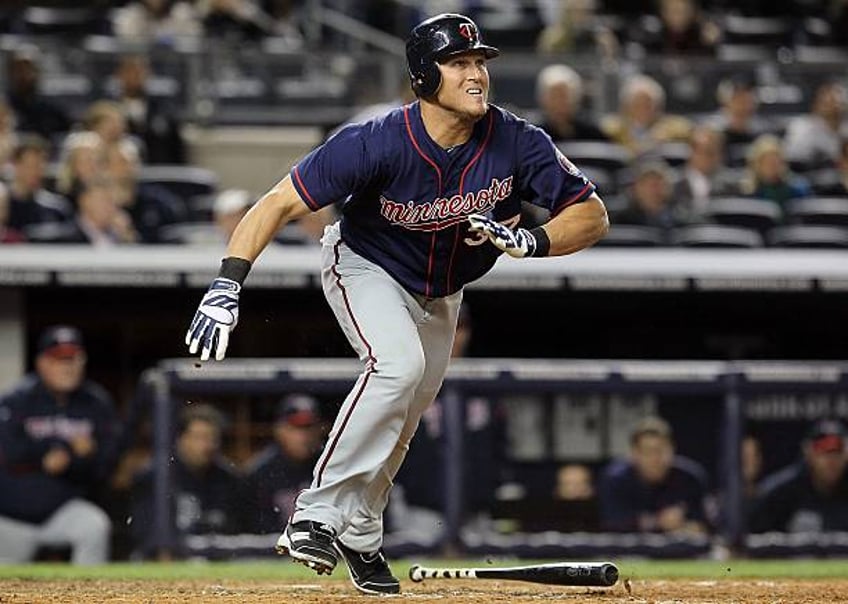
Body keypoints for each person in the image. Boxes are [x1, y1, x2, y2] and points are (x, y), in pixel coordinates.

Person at [185, 11, 607, 595]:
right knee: (396, 367)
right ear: (424, 77)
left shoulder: (516, 139)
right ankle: (317, 514)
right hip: (366, 266)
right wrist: (229, 281)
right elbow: (278, 203)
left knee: (406, 415)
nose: (476, 74)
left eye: (479, 62)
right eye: (459, 64)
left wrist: (534, 241)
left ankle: (361, 529)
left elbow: (591, 215)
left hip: (442, 292)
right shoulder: (377, 141)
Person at [0, 326, 119, 564]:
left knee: (94, 526)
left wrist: (74, 461)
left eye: (73, 358)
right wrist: (52, 451)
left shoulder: (96, 403)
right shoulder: (17, 399)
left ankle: (92, 597)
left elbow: (105, 464)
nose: (68, 366)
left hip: (61, 511)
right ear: (42, 362)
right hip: (10, 517)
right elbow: (10, 451)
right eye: (59, 359)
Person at [129, 404, 247, 559]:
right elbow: (146, 536)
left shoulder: (227, 478)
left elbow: (237, 532)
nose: (208, 445)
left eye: (212, 438)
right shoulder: (156, 476)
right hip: (167, 560)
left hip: (217, 560)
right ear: (180, 439)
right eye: (200, 437)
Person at [598, 416, 709, 534]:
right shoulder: (615, 479)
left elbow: (704, 525)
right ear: (634, 453)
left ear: (673, 449)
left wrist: (690, 527)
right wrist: (658, 522)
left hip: (678, 547)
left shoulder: (691, 478)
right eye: (647, 452)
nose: (655, 459)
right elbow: (612, 523)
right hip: (627, 549)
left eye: (661, 451)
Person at [748, 419, 848, 533]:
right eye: (824, 452)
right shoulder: (782, 492)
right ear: (808, 453)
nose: (831, 461)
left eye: (837, 452)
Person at [245, 394, 326, 534]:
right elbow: (256, 532)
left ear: (319, 430)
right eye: (296, 427)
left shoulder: (330, 467)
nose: (304, 436)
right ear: (280, 430)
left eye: (309, 427)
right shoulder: (260, 474)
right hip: (273, 550)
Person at [110, 54, 187, 165]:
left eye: (139, 72)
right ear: (119, 75)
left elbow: (177, 149)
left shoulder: (163, 110)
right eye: (129, 71)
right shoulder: (110, 109)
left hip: (160, 175)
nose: (134, 77)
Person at [783, 81, 848, 170]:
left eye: (837, 103)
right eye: (827, 103)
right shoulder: (802, 126)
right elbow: (792, 156)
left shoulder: (845, 127)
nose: (834, 107)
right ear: (816, 104)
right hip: (809, 175)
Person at [535, 64, 608, 143]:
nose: (559, 103)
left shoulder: (592, 133)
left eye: (564, 96)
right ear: (543, 99)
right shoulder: (532, 134)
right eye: (554, 96)